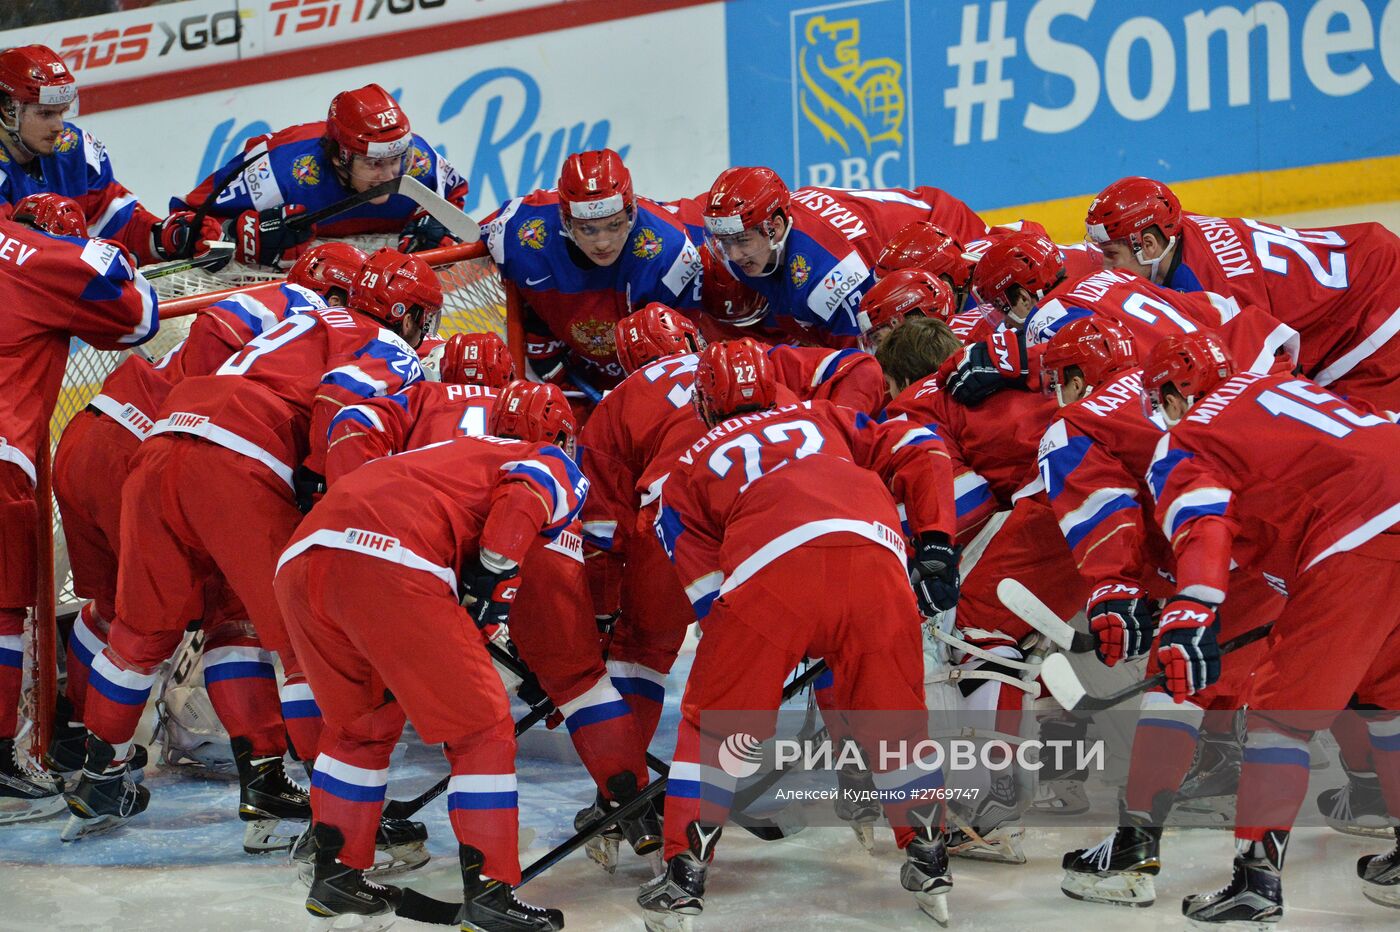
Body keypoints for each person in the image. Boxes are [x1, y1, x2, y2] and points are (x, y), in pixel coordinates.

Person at [64, 248, 436, 845]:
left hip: (162, 441)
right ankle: (333, 808)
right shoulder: (388, 344)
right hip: (241, 460)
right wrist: (321, 479)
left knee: (140, 631)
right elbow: (342, 398)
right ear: (409, 315)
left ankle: (99, 774)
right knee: (305, 644)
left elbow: (215, 335)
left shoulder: (300, 316)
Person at [639, 338, 959, 928]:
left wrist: (748, 651)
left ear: (705, 405)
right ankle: (929, 854)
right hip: (877, 558)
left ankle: (684, 874)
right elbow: (922, 445)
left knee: (713, 726)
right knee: (895, 719)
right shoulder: (826, 415)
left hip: (772, 578)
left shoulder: (684, 467)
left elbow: (703, 581)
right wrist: (936, 538)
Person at [325, 341, 660, 874]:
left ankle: (339, 851)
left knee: (386, 714)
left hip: (418, 548)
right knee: (581, 683)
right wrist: (591, 619)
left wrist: (348, 488)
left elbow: (351, 418)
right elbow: (576, 521)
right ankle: (633, 808)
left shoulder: (423, 398)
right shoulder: (548, 450)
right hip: (533, 536)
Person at [275, 380, 584, 932]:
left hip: (301, 557)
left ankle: (336, 877)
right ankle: (490, 894)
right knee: (482, 728)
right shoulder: (547, 457)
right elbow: (524, 500)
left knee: (358, 729)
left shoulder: (443, 453)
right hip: (391, 559)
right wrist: (492, 577)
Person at [1142, 331, 1400, 922]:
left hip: (1356, 529)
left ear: (1178, 392)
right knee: (1387, 696)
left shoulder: (1190, 435)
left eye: (1161, 400)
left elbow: (1204, 522)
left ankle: (1255, 884)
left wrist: (1192, 607)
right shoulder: (1277, 386)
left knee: (1280, 717)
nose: (1162, 414)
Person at [1035, 318, 1282, 907]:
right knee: (1307, 698)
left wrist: (1114, 587)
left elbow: (1105, 508)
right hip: (1300, 555)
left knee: (1176, 679)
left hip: (1214, 555)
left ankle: (1135, 846)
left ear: (1078, 377)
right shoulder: (1255, 387)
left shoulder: (1080, 422)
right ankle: (1237, 777)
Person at [0, 208, 158, 823]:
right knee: (4, 613)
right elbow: (138, 319)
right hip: (4, 454)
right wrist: (120, 260)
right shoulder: (43, 258)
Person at [1086, 175, 1400, 413]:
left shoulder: (1220, 287)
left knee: (1359, 435)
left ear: (1148, 245)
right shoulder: (1173, 231)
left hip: (1378, 303)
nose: (1104, 267)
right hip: (1364, 270)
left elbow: (1276, 375)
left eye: (1111, 255)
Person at [940, 230, 1298, 408]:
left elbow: (1086, 366)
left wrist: (1010, 361)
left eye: (1001, 307)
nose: (1002, 320)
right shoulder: (1118, 278)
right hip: (1264, 366)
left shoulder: (1045, 317)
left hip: (1208, 403)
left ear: (1023, 297)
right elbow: (1219, 309)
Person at [481, 149, 704, 394]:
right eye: (588, 229)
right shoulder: (521, 230)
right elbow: (463, 237)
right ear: (566, 220)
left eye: (614, 225)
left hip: (655, 373)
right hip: (572, 366)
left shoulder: (671, 252)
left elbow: (685, 361)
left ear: (631, 212)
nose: (603, 243)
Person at [175, 83, 467, 269]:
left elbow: (454, 201)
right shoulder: (279, 171)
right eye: (374, 164)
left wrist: (436, 224)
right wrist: (237, 233)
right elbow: (185, 220)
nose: (391, 175)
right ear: (340, 157)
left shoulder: (421, 165)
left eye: (397, 160)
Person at [0, 44, 224, 266]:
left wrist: (164, 236)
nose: (59, 126)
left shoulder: (73, 148)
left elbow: (113, 218)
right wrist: (91, 260)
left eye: (62, 112)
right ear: (8, 110)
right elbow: (13, 259)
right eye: (45, 114)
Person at [700, 167, 985, 341]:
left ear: (774, 227)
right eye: (724, 241)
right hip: (904, 238)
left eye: (742, 241)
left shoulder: (831, 277)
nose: (733, 255)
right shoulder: (755, 236)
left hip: (949, 236)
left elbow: (870, 366)